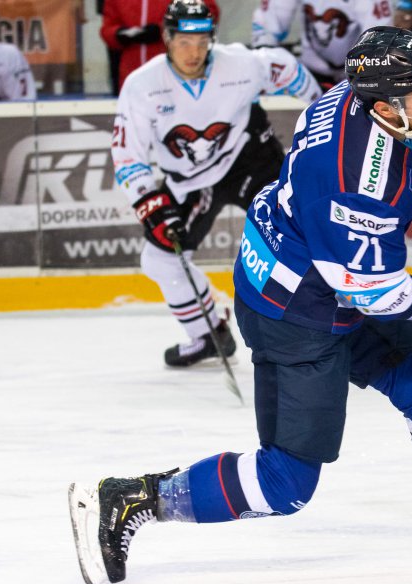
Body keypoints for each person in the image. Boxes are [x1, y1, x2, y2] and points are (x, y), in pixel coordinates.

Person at [69, 26, 412, 584]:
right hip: (293, 310)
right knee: (284, 483)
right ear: (386, 108)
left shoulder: (370, 92)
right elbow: (371, 292)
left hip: (327, 273)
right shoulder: (357, 180)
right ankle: (132, 498)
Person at [110, 0, 321, 368]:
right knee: (159, 258)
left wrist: (327, 110)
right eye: (184, 42)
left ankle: (333, 322)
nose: (194, 52)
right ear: (167, 39)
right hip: (190, 181)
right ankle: (208, 333)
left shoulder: (240, 64)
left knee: (305, 235)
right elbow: (128, 154)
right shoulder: (142, 85)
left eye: (202, 41)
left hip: (251, 160)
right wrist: (150, 202)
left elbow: (287, 69)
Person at [251, 0, 412, 90]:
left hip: (357, 76)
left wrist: (363, 80)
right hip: (308, 74)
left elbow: (380, 38)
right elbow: (266, 29)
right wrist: (266, 66)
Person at [100, 0, 220, 92]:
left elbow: (208, 14)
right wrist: (118, 34)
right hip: (132, 72)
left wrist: (165, 29)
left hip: (178, 71)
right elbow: (107, 27)